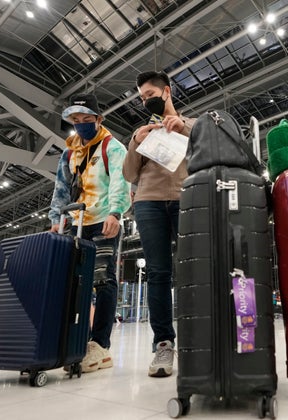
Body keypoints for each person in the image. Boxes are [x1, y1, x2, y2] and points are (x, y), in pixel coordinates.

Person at [49, 93, 131, 373]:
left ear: (99, 119)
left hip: (102, 219)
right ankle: (75, 338)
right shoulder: (69, 152)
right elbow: (61, 187)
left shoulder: (112, 146)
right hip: (75, 221)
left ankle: (99, 345)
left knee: (103, 279)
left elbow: (121, 180)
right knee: (72, 281)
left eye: (87, 119)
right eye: (76, 120)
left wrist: (115, 213)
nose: (81, 124)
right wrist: (56, 219)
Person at [122, 71, 195, 377]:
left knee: (194, 268)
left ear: (167, 92)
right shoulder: (140, 132)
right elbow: (128, 175)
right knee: (158, 273)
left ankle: (199, 338)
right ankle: (163, 343)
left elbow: (208, 150)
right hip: (148, 202)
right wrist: (136, 144)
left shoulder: (192, 124)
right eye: (141, 97)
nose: (145, 101)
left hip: (186, 197)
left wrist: (185, 128)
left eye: (150, 94)